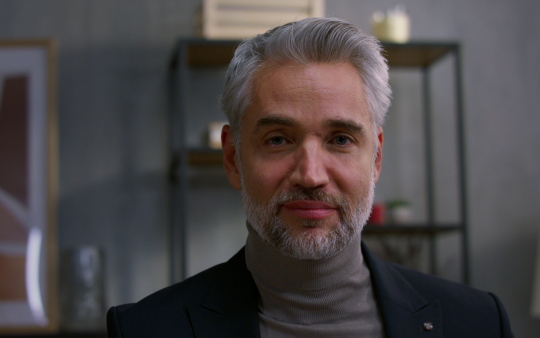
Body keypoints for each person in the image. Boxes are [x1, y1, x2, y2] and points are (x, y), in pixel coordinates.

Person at [107, 17, 513, 337]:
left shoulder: (477, 323)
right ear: (232, 158)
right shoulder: (147, 329)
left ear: (375, 158)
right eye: (279, 139)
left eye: (339, 139)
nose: (311, 175)